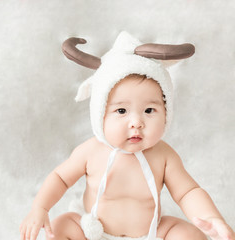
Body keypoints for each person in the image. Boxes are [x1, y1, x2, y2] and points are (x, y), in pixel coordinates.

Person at [19, 31, 235, 240]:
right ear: (100, 113)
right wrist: (40, 208)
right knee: (61, 226)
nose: (137, 123)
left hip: (150, 232)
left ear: (166, 112)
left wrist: (212, 218)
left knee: (190, 235)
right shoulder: (91, 151)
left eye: (149, 110)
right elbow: (60, 178)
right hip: (93, 231)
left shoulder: (163, 156)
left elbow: (188, 192)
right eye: (121, 111)